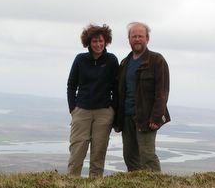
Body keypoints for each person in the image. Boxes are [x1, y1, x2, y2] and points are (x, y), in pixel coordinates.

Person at [115, 22, 170, 172]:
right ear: (129, 39)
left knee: (147, 156)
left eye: (140, 36)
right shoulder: (125, 63)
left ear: (147, 39)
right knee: (129, 156)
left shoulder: (156, 60)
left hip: (147, 117)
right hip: (127, 117)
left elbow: (162, 91)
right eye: (134, 36)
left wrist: (156, 117)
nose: (137, 39)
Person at [66, 24, 119, 177]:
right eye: (94, 41)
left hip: (104, 112)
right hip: (82, 111)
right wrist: (73, 109)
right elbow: (71, 85)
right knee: (77, 151)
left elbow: (116, 87)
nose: (98, 44)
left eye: (101, 41)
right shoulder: (80, 59)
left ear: (106, 41)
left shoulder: (111, 60)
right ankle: (71, 185)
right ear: (88, 42)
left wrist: (113, 109)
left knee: (99, 152)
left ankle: (95, 187)